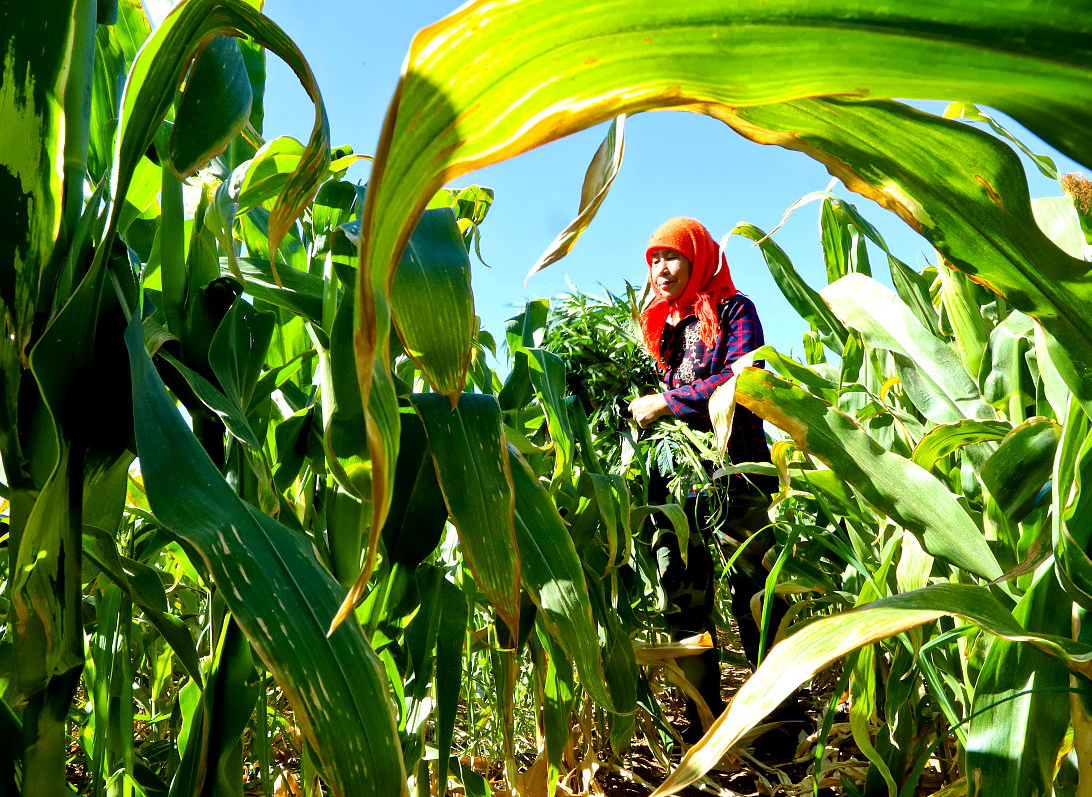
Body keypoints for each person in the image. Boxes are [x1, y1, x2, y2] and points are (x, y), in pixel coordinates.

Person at [628, 216, 779, 743]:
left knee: (757, 594)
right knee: (683, 599)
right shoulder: (662, 329)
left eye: (671, 257)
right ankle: (703, 731)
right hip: (679, 487)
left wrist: (668, 403)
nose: (661, 270)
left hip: (737, 475)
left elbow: (743, 377)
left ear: (698, 258)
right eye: (653, 261)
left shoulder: (735, 310)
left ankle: (777, 725)